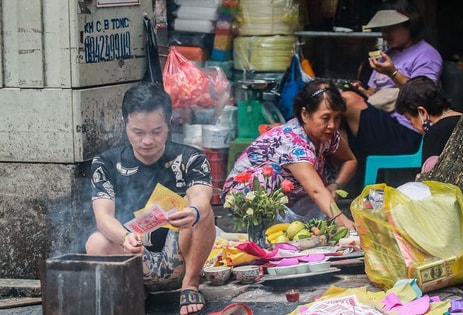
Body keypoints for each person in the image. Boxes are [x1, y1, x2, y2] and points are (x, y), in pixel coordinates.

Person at [85, 82, 215, 315]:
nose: (147, 141)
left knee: (203, 213)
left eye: (156, 131)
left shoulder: (190, 158)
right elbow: (103, 216)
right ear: (125, 123)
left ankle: (190, 285)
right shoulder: (106, 163)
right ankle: (134, 290)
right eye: (138, 132)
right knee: (96, 242)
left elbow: (201, 195)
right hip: (133, 255)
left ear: (169, 123)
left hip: (180, 255)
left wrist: (193, 211)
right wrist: (124, 237)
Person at [223, 79, 358, 232]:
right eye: (325, 118)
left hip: (288, 198)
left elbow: (350, 160)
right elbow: (316, 191)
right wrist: (344, 223)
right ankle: (263, 229)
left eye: (337, 118)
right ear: (305, 114)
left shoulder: (328, 135)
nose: (333, 125)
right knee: (271, 175)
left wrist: (335, 185)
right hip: (243, 196)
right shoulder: (292, 142)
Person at [340, 0, 442, 196]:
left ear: (409, 25)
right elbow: (372, 93)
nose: (385, 33)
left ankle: (344, 179)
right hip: (382, 121)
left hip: (406, 131)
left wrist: (393, 73)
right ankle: (342, 177)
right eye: (383, 28)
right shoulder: (388, 54)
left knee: (346, 102)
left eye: (392, 27)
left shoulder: (427, 54)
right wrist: (361, 91)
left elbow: (424, 95)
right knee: (334, 102)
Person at [394, 76, 462, 172]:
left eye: (409, 119)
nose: (411, 125)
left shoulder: (435, 134)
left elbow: (429, 180)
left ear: (422, 112)